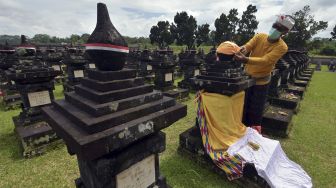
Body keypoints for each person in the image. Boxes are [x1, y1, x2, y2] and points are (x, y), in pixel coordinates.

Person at [234, 15, 295, 133]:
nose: (275, 30)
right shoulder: (260, 36)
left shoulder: (282, 47)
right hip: (246, 78)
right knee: (243, 106)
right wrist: (241, 50)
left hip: (261, 81)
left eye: (280, 28)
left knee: (256, 110)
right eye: (275, 26)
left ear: (285, 32)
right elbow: (248, 46)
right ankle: (240, 131)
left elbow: (266, 60)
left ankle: (253, 134)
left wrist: (245, 60)